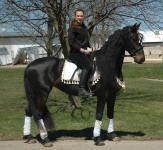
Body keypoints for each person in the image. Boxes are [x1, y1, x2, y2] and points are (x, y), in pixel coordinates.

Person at [68, 9, 94, 96]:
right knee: (87, 66)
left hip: (84, 52)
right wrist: (82, 50)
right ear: (75, 17)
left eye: (81, 16)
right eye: (78, 16)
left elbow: (86, 41)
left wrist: (91, 48)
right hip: (75, 53)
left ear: (84, 17)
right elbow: (71, 43)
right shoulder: (72, 28)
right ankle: (81, 88)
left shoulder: (84, 28)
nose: (80, 17)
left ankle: (88, 86)